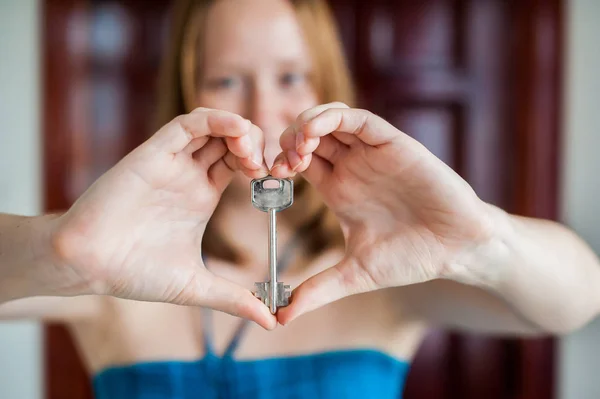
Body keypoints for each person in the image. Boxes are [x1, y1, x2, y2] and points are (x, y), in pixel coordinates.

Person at [1, 0, 599, 398]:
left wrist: (483, 241)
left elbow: (580, 301)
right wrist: (60, 248)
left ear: (326, 88)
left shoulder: (386, 269)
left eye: (290, 76)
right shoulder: (113, 272)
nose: (262, 113)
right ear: (190, 93)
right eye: (227, 79)